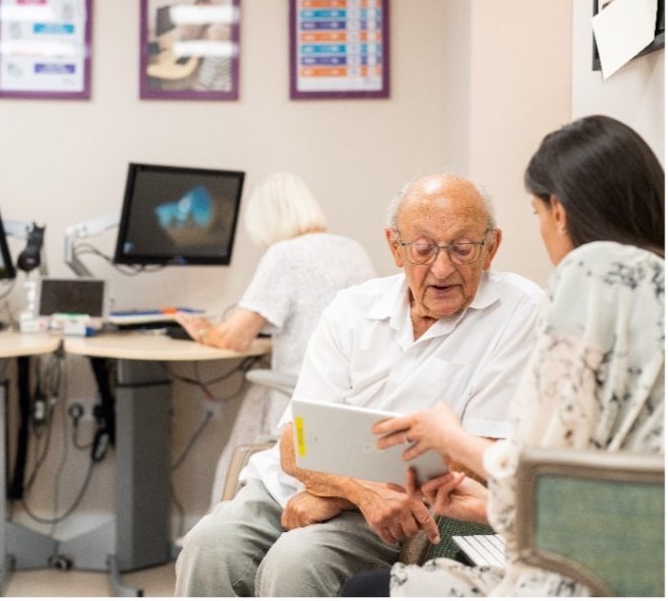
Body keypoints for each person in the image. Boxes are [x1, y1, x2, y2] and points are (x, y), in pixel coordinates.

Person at [174, 173, 545, 597]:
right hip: (297, 486)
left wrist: (338, 499)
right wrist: (352, 490)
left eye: (462, 249)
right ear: (395, 247)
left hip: (401, 507)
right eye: (423, 249)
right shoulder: (353, 308)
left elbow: (474, 457)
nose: (442, 268)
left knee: (294, 564)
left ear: (491, 247)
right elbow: (295, 444)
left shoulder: (519, 310)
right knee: (208, 547)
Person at [345, 115, 665, 597]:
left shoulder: (590, 275)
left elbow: (550, 466)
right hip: (636, 562)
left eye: (535, 214)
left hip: (589, 576)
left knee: (364, 590)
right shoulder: (656, 281)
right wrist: (488, 505)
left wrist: (447, 436)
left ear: (558, 211)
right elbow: (608, 483)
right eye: (426, 249)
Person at [175, 172, 376, 509]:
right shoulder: (350, 248)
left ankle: (226, 516)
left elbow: (234, 337)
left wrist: (202, 330)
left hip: (304, 392)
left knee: (253, 405)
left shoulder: (285, 253)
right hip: (358, 395)